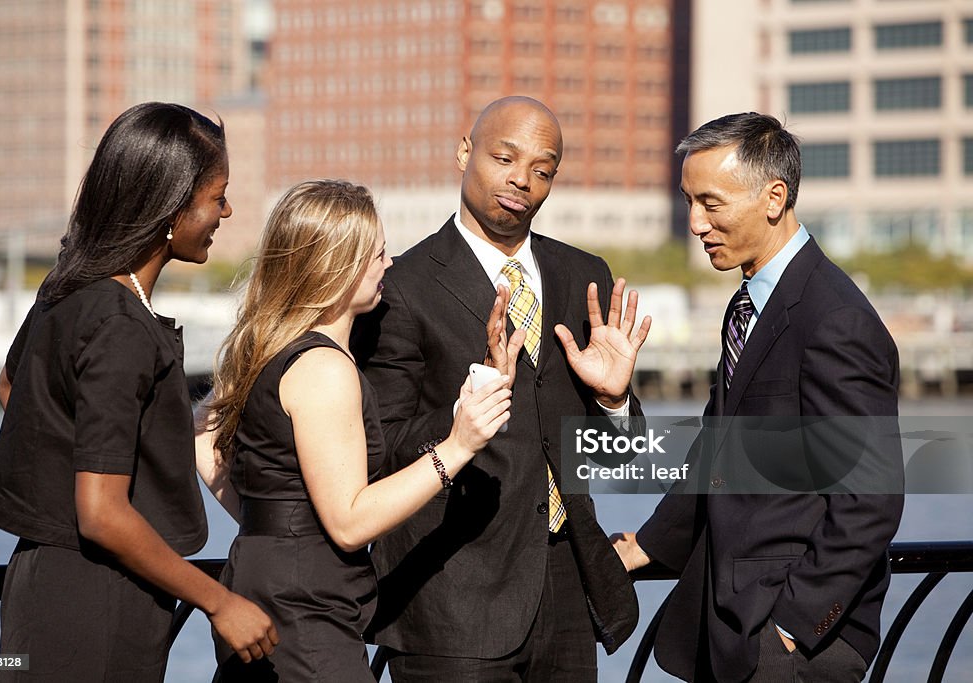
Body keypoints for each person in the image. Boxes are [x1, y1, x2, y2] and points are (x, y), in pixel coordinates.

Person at [351, 96, 649, 681]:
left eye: (543, 170)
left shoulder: (584, 276)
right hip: (449, 594)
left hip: (565, 586)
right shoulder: (402, 287)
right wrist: (470, 409)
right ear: (465, 151)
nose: (521, 181)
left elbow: (625, 457)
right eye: (504, 158)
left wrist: (615, 401)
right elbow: (377, 449)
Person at [0, 102, 277, 681]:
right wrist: (222, 603)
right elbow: (100, 514)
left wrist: (90, 456)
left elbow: (13, 386)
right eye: (218, 196)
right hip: (97, 605)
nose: (227, 211)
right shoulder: (121, 325)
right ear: (172, 205)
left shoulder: (69, 284)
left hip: (38, 584)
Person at [612, 113, 904, 682]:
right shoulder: (750, 303)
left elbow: (870, 499)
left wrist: (794, 626)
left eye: (711, 203)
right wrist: (649, 543)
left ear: (774, 198)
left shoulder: (835, 319)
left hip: (791, 642)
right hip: (734, 624)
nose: (695, 222)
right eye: (688, 201)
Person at [199, 179, 512, 681]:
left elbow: (204, 437)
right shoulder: (326, 368)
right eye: (378, 254)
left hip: (259, 584)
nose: (388, 265)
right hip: (305, 608)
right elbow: (348, 523)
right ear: (337, 267)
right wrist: (458, 447)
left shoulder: (268, 348)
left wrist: (270, 523)